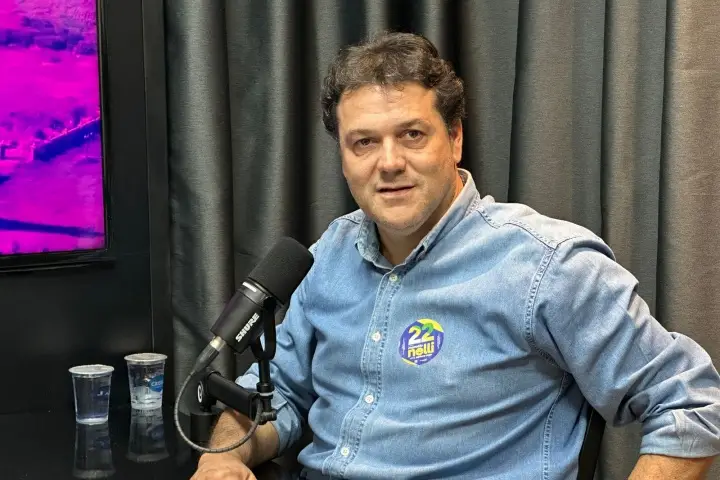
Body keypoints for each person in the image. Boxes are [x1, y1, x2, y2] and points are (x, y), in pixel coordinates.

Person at [192, 32, 720, 480]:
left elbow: (692, 402)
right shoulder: (329, 254)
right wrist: (222, 460)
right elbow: (275, 394)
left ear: (455, 138)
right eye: (364, 143)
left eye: (412, 135)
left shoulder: (548, 265)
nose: (389, 163)